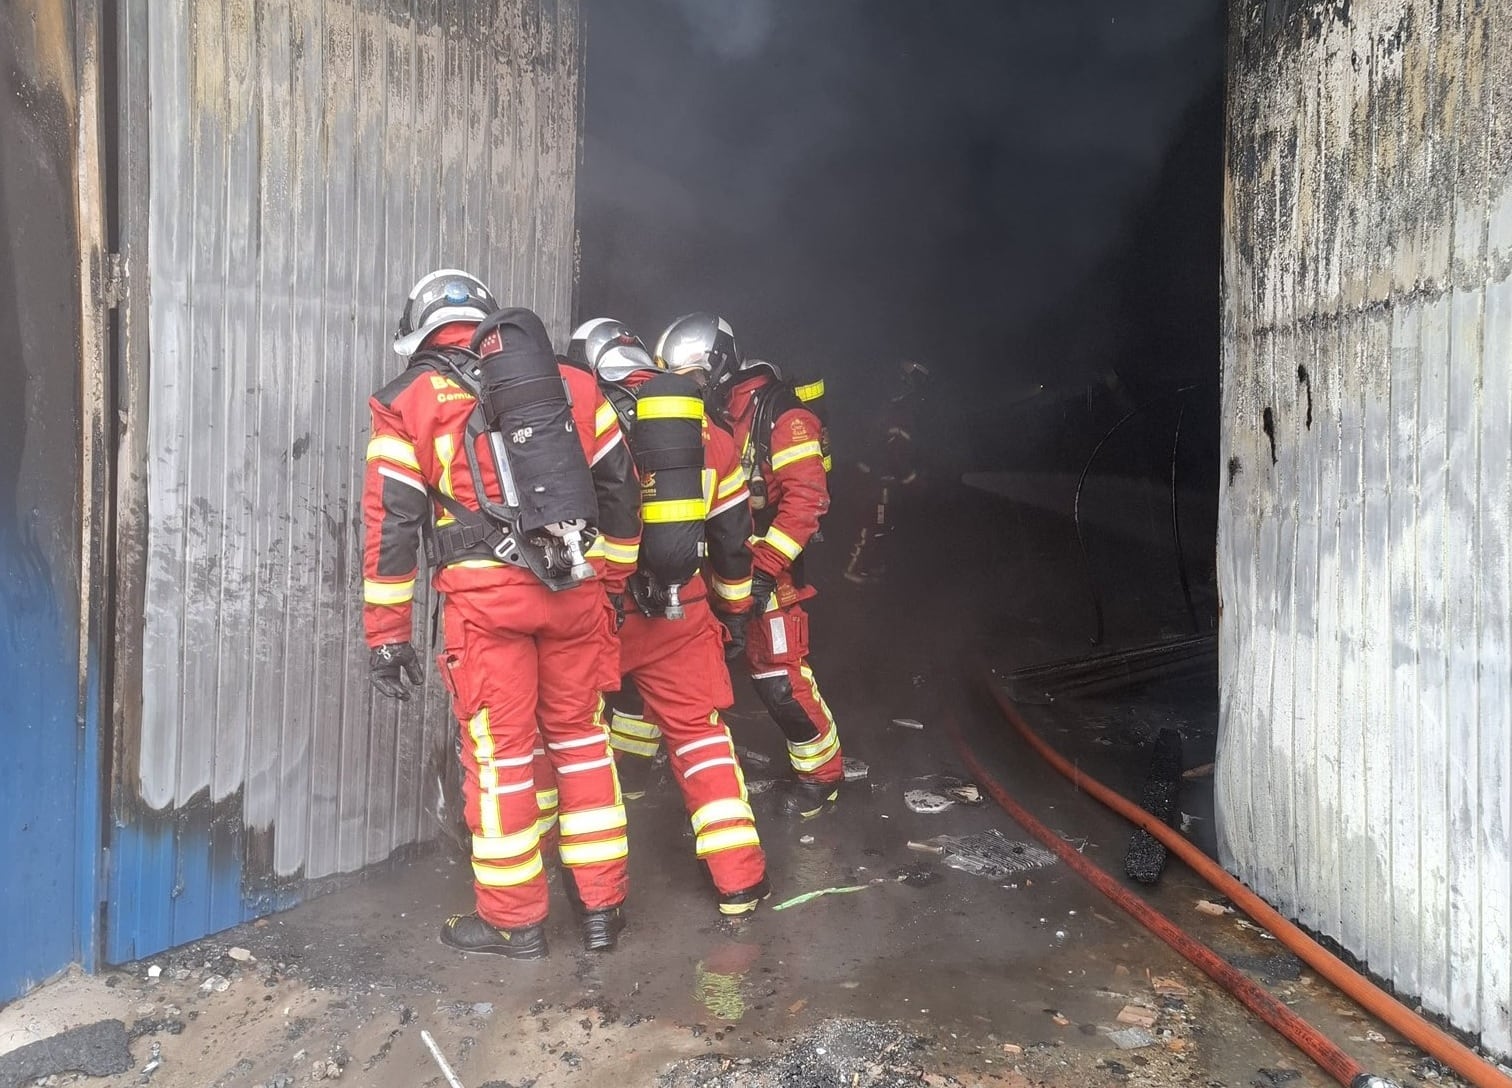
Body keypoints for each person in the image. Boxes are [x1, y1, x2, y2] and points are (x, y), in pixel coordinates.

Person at [361, 270, 641, 959]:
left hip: (488, 609)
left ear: (419, 331)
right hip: (574, 592)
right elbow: (621, 488)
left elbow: (393, 525)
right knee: (582, 744)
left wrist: (387, 633)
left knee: (503, 760)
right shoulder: (572, 383)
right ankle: (602, 910)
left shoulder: (409, 401)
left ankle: (516, 922)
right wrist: (611, 578)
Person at [570, 317, 770, 916]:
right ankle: (740, 883)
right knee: (701, 739)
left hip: (597, 613)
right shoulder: (708, 432)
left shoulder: (575, 419)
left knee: (571, 738)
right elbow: (734, 540)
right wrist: (735, 611)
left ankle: (590, 898)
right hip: (682, 611)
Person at [659, 313, 844, 819]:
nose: (687, 389)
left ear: (717, 364)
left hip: (770, 580)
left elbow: (806, 503)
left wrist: (761, 570)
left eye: (693, 377)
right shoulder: (711, 412)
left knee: (778, 681)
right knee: (683, 675)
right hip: (716, 573)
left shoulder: (784, 417)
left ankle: (821, 777)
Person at [844, 359, 931, 584]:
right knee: (872, 523)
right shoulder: (898, 411)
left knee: (880, 524)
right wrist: (913, 481)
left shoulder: (892, 407)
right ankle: (854, 568)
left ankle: (871, 565)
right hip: (875, 481)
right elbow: (896, 455)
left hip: (877, 479)